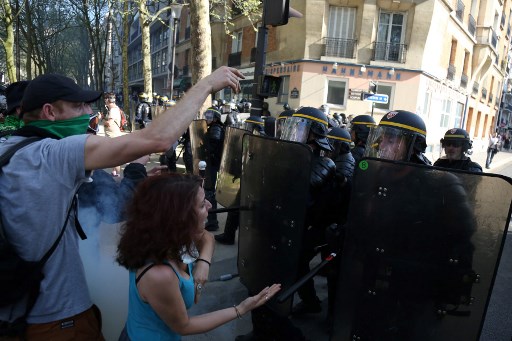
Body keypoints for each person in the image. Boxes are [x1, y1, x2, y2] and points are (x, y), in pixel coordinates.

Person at [0, 67, 243, 339]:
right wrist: (208, 83)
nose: (87, 114)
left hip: (18, 312)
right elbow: (157, 139)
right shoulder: (52, 153)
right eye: (78, 106)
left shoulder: (10, 148)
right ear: (49, 112)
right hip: (58, 318)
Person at [116, 173, 280, 340]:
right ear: (179, 217)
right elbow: (184, 326)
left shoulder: (167, 237)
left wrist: (203, 265)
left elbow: (207, 238)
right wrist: (241, 309)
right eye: (202, 205)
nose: (210, 205)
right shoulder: (160, 275)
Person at [364, 110, 431, 165]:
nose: (381, 146)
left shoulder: (421, 179)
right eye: (381, 140)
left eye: (390, 141)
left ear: (412, 148)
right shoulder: (381, 170)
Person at [204, 106, 225, 231]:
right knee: (209, 191)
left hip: (212, 164)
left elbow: (214, 141)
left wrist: (205, 145)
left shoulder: (216, 128)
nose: (207, 118)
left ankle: (212, 222)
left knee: (210, 192)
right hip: (211, 163)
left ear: (216, 118)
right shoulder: (214, 127)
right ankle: (212, 221)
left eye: (210, 116)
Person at [102, 92, 123, 176]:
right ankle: (115, 172)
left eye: (105, 99)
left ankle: (117, 174)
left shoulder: (113, 110)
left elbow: (109, 123)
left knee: (116, 157)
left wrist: (101, 119)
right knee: (114, 156)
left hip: (113, 136)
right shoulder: (112, 109)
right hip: (112, 135)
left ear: (107, 100)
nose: (105, 100)